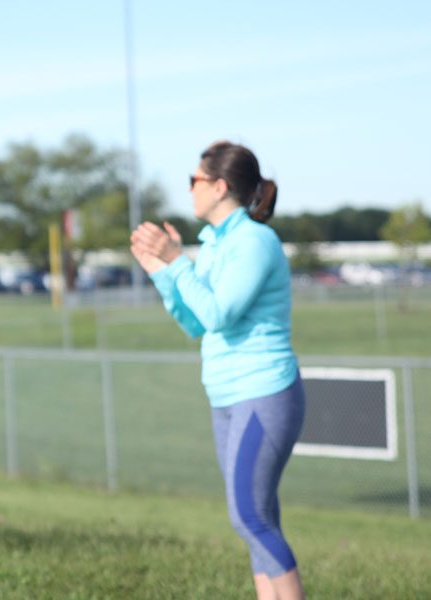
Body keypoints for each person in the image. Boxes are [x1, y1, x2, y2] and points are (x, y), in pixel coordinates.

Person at [129, 141, 305, 600]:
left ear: (219, 185)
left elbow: (219, 315)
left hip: (263, 391)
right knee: (258, 519)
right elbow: (194, 322)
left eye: (194, 180)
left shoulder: (254, 241)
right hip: (226, 395)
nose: (188, 189)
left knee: (248, 516)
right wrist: (163, 272)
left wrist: (176, 262)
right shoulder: (213, 245)